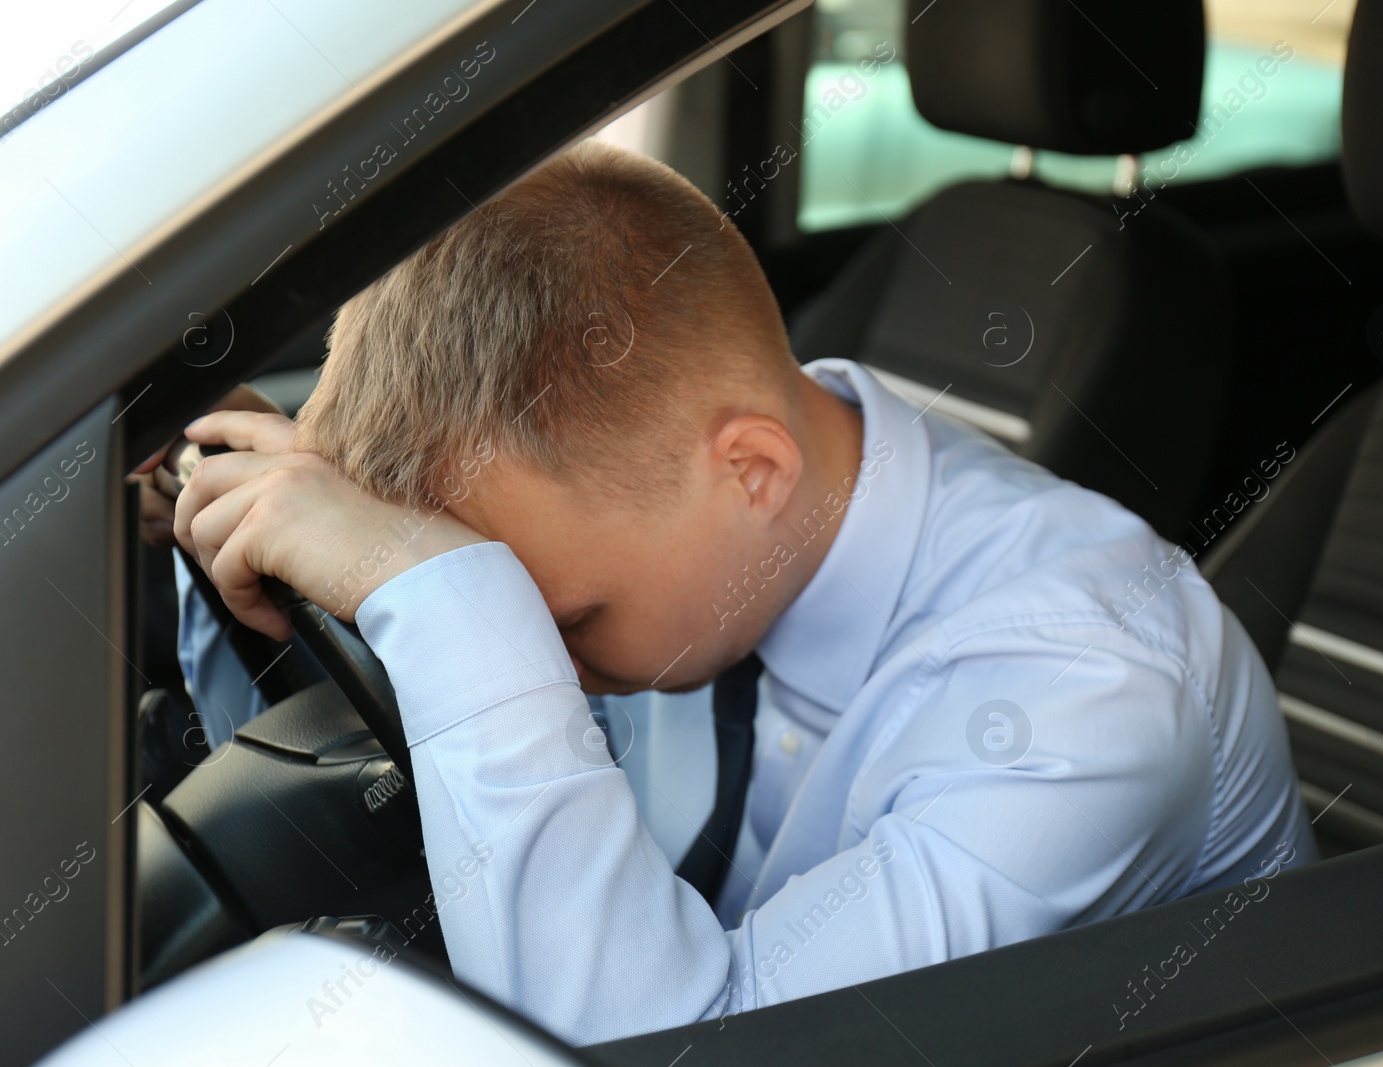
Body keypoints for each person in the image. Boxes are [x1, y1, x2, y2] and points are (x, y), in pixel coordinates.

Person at [166, 140, 1315, 1045]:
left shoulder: (1085, 691)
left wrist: (465, 617)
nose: (547, 665)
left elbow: (681, 1050)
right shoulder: (675, 538)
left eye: (558, 622)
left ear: (751, 471)